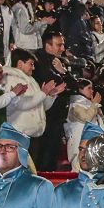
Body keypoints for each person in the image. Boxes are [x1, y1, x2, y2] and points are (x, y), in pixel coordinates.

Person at [31, 30, 78, 171]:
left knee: (51, 156)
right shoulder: (37, 62)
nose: (63, 49)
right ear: (48, 45)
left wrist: (63, 71)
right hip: (43, 115)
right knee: (42, 157)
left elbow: (75, 87)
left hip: (58, 117)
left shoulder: (60, 62)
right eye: (59, 45)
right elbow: (51, 84)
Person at [3, 48, 62, 139]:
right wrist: (43, 92)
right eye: (31, 64)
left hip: (33, 134)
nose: (33, 68)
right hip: (18, 133)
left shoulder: (31, 80)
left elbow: (41, 107)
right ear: (19, 64)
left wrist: (50, 95)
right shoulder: (10, 79)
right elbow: (21, 104)